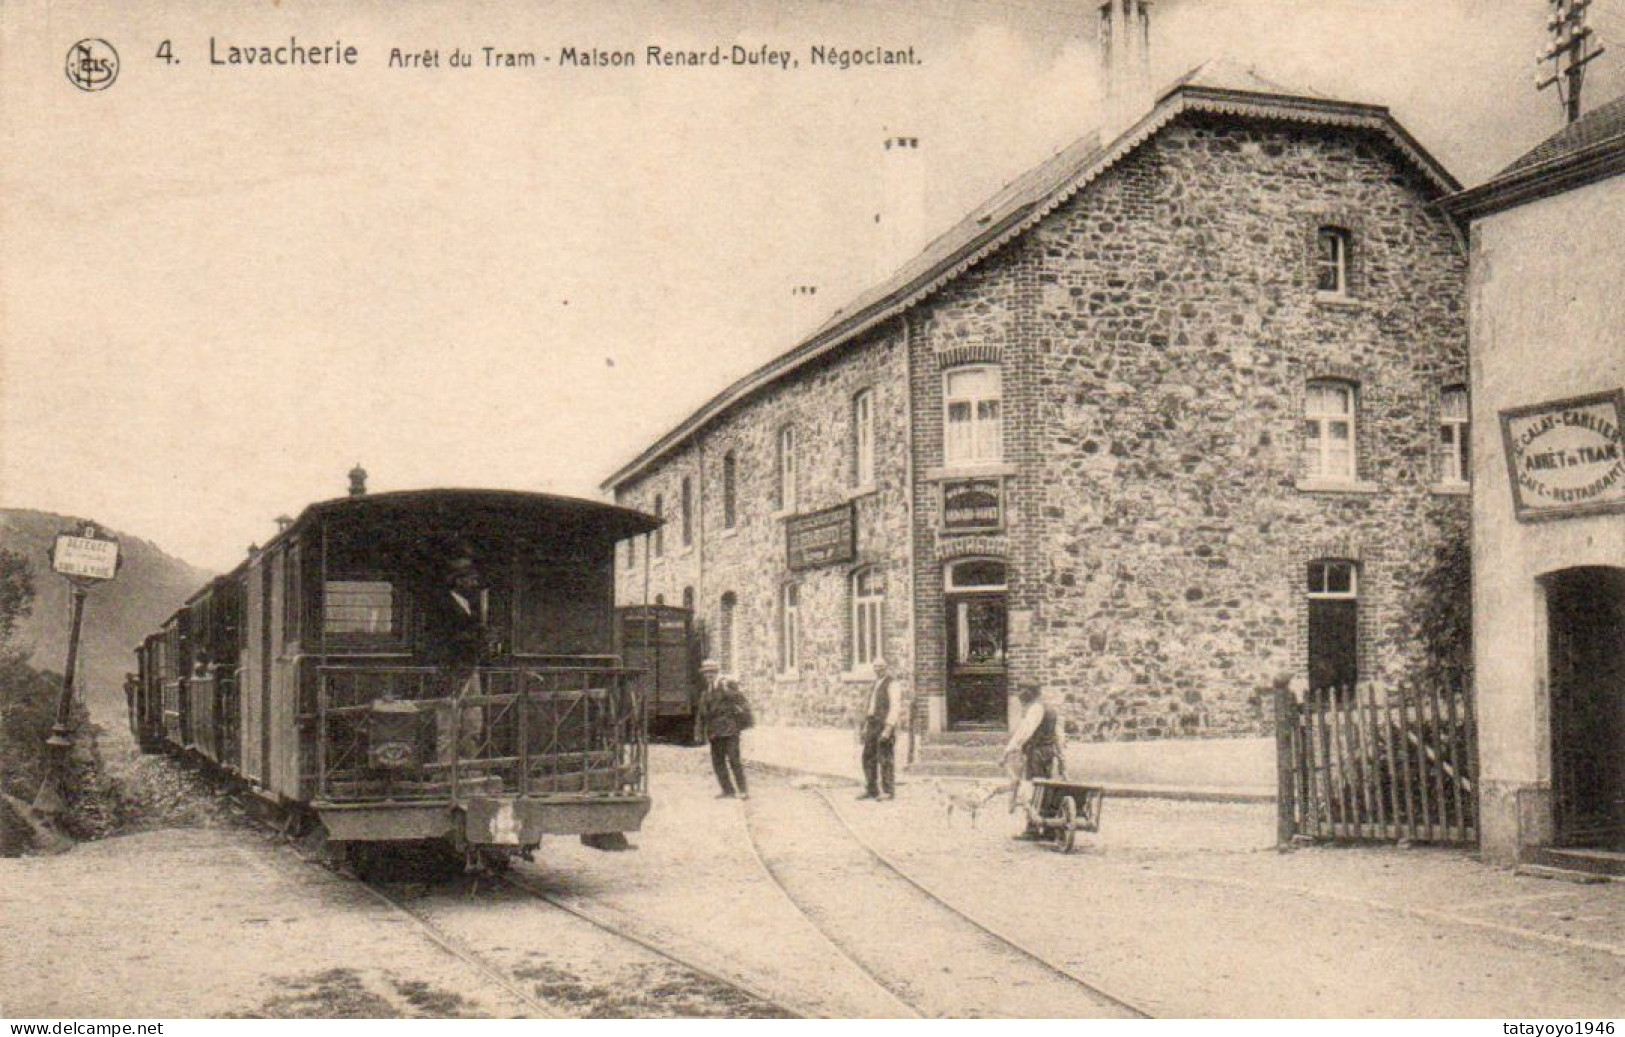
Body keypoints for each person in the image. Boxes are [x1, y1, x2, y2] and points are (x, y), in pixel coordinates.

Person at [1003, 683, 1067, 835]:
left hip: (1037, 753)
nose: (1018, 695)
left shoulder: (1035, 709)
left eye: (1021, 691)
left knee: (1032, 787)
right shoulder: (1050, 709)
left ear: (1030, 692)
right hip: (1048, 752)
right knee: (1046, 787)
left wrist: (1009, 749)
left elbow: (1025, 731)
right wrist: (1060, 755)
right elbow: (1058, 735)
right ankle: (1049, 826)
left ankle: (1032, 827)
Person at [694, 658, 753, 799]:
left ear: (716, 672)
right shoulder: (706, 692)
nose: (708, 676)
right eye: (706, 673)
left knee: (734, 760)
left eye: (711, 673)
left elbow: (741, 701)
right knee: (718, 762)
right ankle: (728, 790)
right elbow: (702, 714)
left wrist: (726, 688)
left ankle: (743, 790)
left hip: (730, 730)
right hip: (714, 732)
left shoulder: (726, 685)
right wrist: (698, 731)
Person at [857, 658, 901, 801]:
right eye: (875, 667)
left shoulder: (892, 684)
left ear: (886, 668)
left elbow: (895, 707)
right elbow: (871, 707)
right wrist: (865, 727)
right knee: (868, 757)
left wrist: (888, 729)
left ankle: (888, 791)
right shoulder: (875, 684)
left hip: (884, 724)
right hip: (872, 724)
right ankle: (871, 789)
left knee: (885, 758)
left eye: (881, 667)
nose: (878, 669)